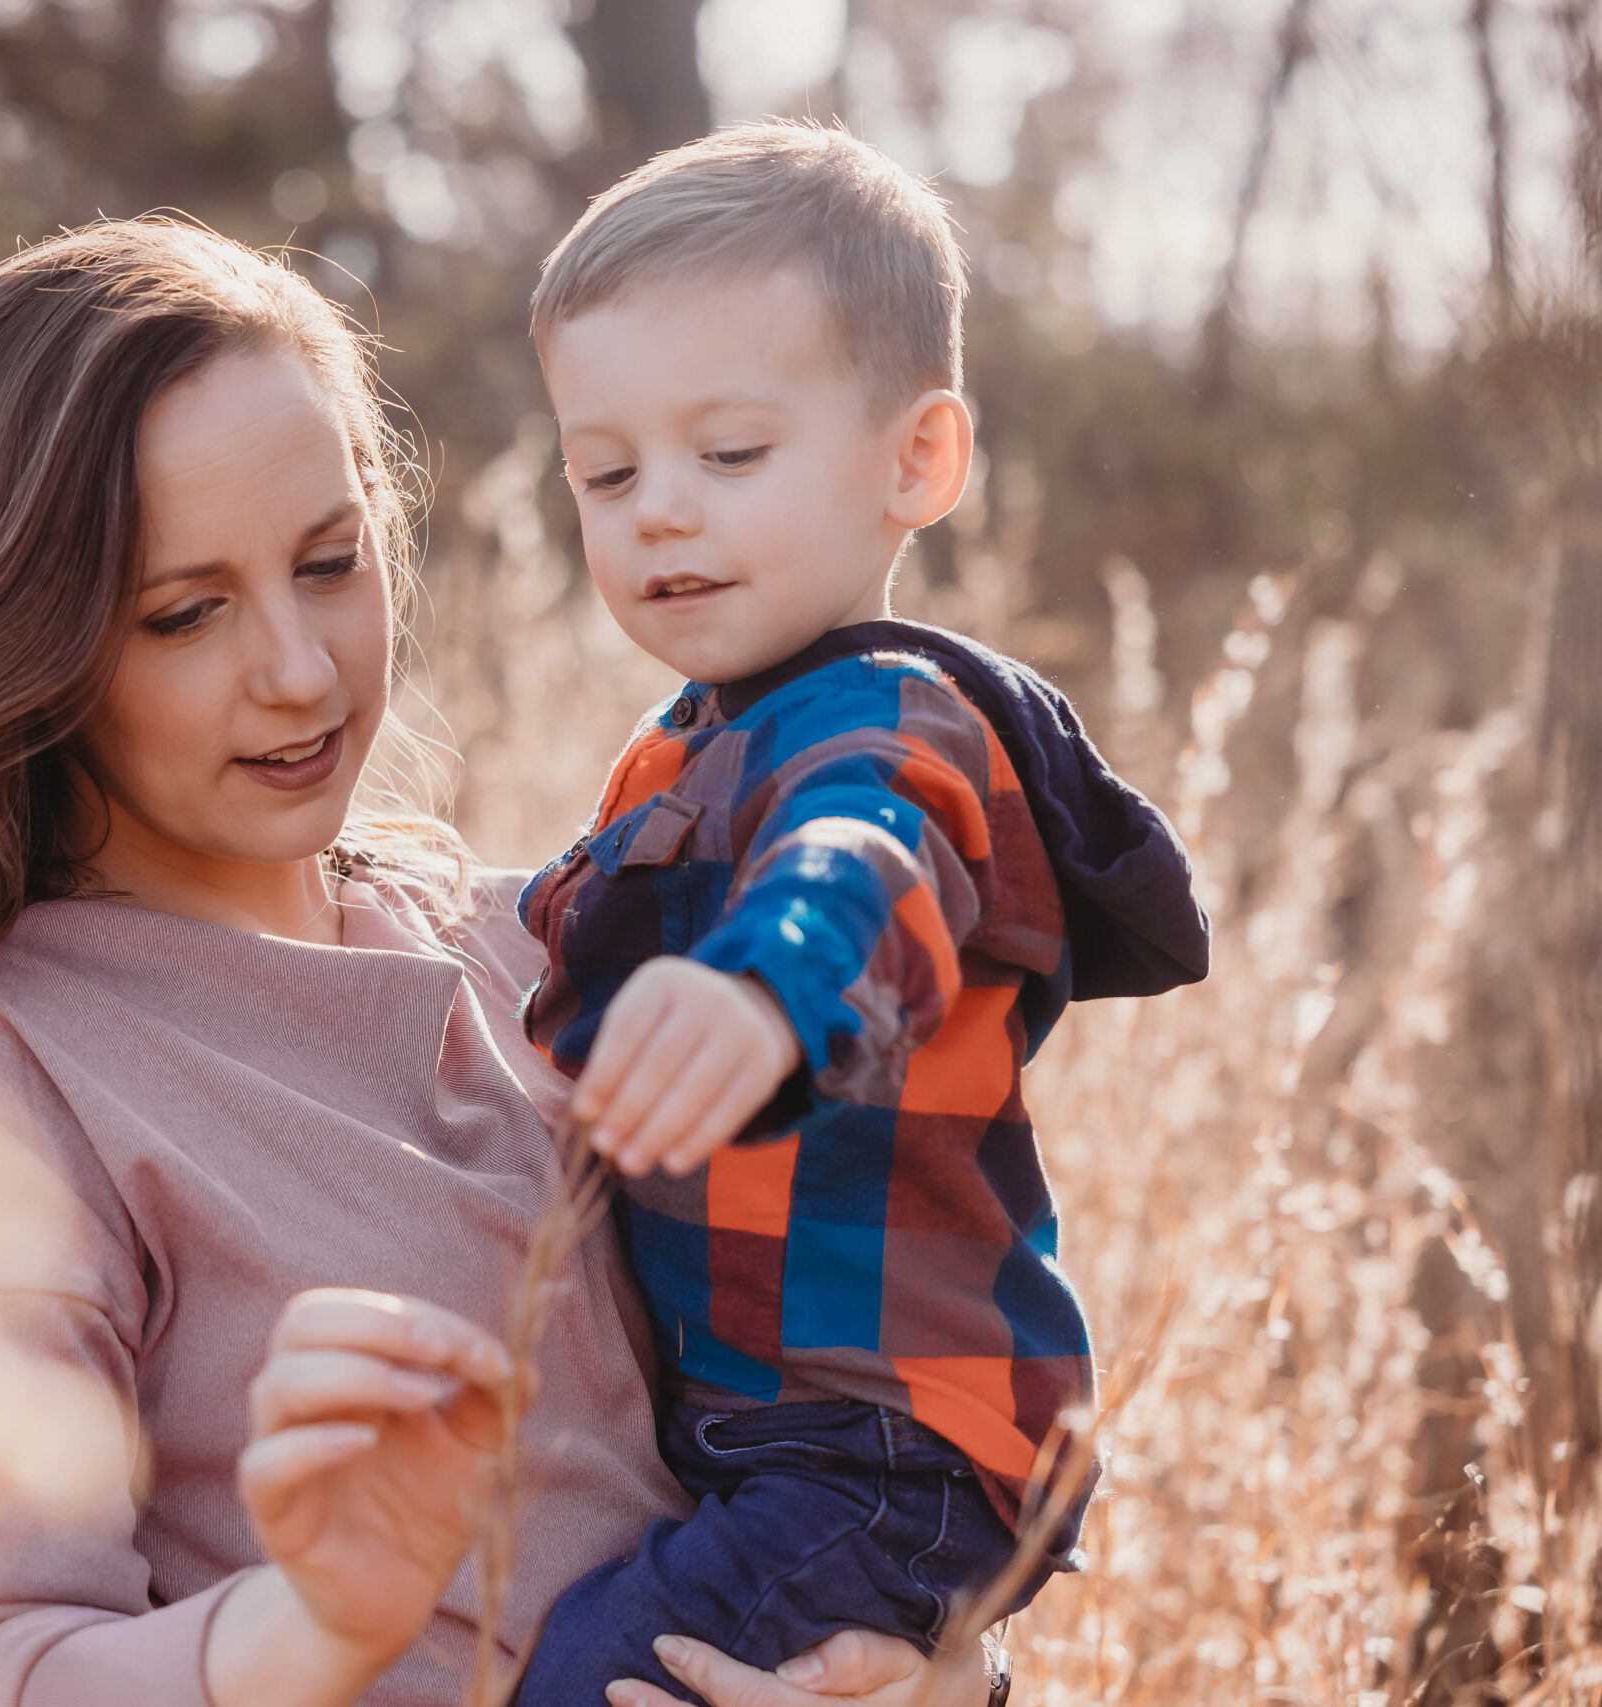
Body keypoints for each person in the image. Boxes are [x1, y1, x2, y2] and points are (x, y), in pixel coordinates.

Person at [0, 218, 1015, 1707]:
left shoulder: (528, 935)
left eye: (330, 563)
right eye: (184, 612)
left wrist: (938, 1673)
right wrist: (310, 1625)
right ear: (18, 640)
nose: (297, 668)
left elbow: (808, 1435)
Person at [504, 125, 1212, 1705]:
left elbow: (862, 869)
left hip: (882, 1442)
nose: (659, 514)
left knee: (592, 1684)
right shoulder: (693, 736)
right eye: (606, 474)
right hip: (787, 1435)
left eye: (729, 456)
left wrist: (763, 996)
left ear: (918, 461)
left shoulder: (882, 720)